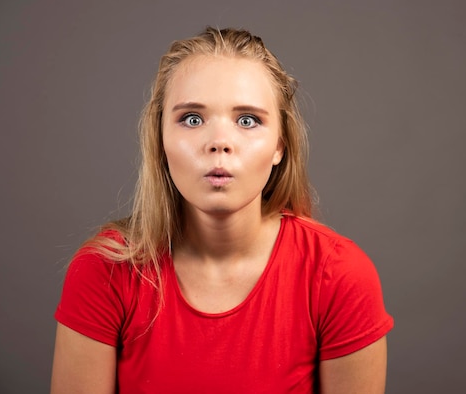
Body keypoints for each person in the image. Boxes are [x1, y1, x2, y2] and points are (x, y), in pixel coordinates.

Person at [51, 27, 394, 394]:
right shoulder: (105, 270)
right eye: (192, 119)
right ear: (160, 140)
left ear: (280, 145)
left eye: (247, 120)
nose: (219, 143)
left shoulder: (339, 276)